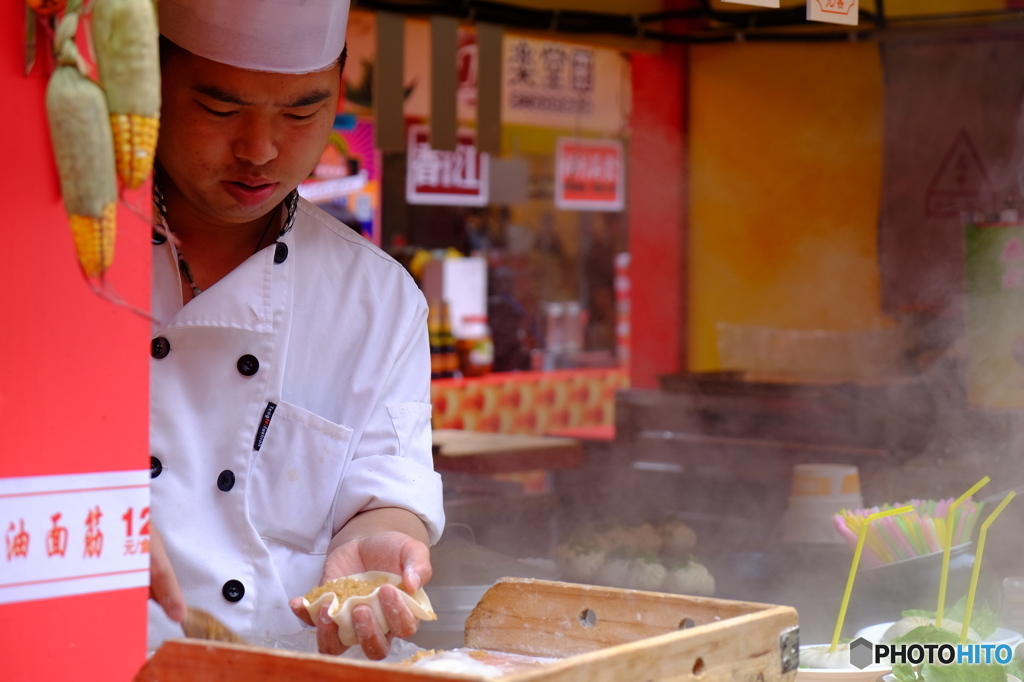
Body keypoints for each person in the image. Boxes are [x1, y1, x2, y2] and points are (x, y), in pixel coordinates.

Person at [147, 0, 444, 659]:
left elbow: (385, 489)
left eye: (301, 112)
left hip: (279, 665)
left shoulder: (378, 299)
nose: (259, 149)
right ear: (151, 82)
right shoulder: (58, 267)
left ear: (338, 88)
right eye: (221, 109)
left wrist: (375, 544)